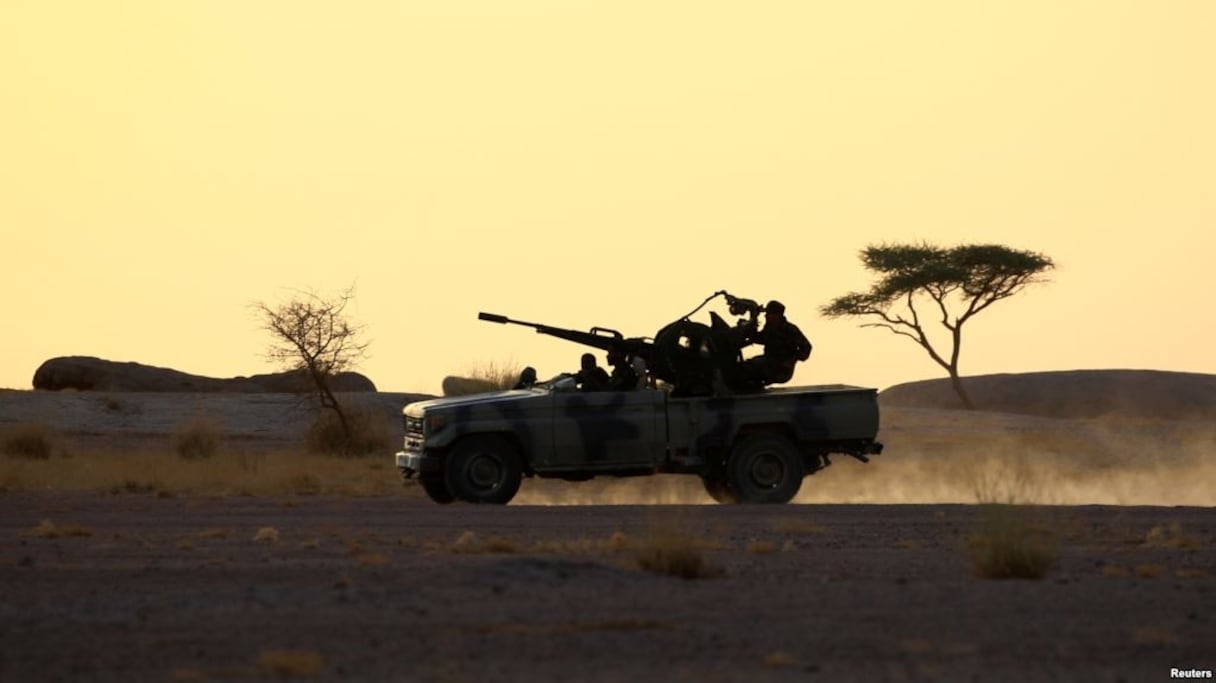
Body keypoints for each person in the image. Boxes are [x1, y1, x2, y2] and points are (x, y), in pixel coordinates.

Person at [741, 300, 812, 385]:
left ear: (777, 315)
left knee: (753, 365)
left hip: (780, 370)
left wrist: (791, 360)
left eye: (769, 314)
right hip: (770, 364)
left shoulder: (789, 329)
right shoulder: (770, 328)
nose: (766, 316)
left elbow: (806, 347)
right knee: (746, 367)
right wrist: (748, 327)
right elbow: (759, 338)